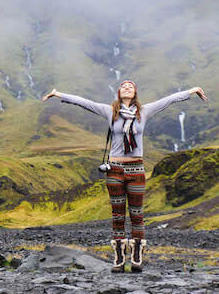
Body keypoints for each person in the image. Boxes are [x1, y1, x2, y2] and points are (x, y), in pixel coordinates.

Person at [42, 81, 207, 273]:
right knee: (117, 215)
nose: (127, 87)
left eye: (131, 85)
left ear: (135, 92)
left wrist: (191, 91)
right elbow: (84, 102)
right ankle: (119, 258)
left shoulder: (143, 112)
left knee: (137, 214)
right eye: (123, 85)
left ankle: (137, 255)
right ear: (119, 92)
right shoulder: (109, 111)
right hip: (115, 169)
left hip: (136, 169)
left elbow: (168, 100)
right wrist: (59, 94)